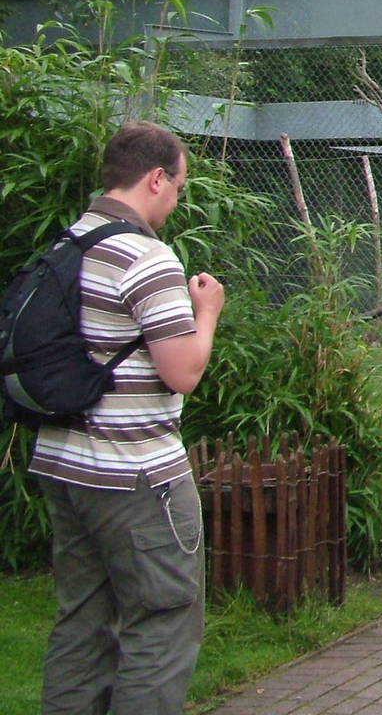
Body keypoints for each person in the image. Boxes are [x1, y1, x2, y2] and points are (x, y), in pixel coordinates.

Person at [29, 121, 226, 714]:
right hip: (135, 476)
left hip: (64, 463)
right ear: (156, 178)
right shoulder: (145, 256)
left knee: (81, 623)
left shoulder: (69, 243)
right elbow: (182, 371)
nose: (176, 201)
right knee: (161, 623)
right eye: (179, 187)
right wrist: (206, 311)